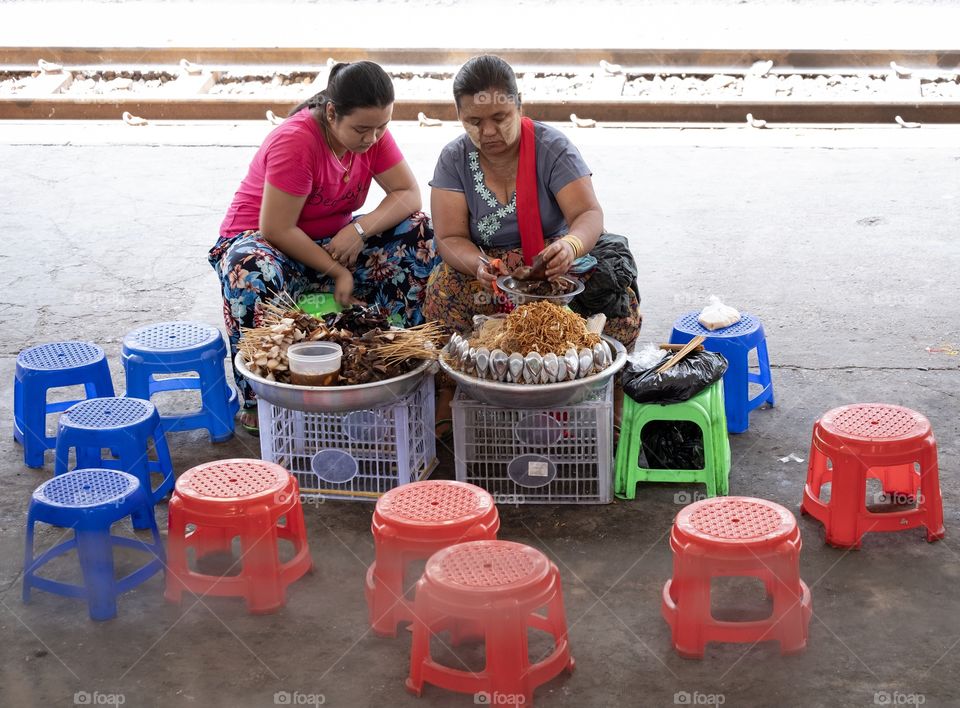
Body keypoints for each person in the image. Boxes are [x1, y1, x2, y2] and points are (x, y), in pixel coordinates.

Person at [209, 61, 439, 432]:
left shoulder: (373, 132)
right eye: (362, 129)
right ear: (331, 113)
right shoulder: (296, 140)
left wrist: (360, 230)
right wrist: (337, 270)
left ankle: (389, 359)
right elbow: (276, 227)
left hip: (332, 242)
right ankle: (263, 397)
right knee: (250, 270)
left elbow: (408, 194)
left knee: (420, 235)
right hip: (268, 245)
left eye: (383, 126)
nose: (373, 138)